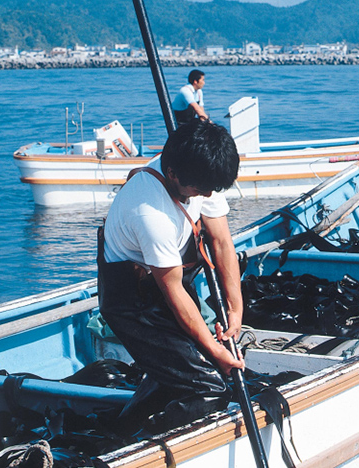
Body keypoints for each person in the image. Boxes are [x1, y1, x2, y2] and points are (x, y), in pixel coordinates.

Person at [96, 118, 242, 433]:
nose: (207, 195)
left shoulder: (202, 171)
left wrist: (234, 308)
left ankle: (122, 432)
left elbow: (221, 241)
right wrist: (215, 351)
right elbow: (173, 291)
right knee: (210, 387)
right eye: (200, 191)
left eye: (211, 190)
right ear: (173, 174)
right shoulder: (149, 211)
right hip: (132, 302)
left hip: (165, 285)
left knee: (178, 372)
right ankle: (140, 448)